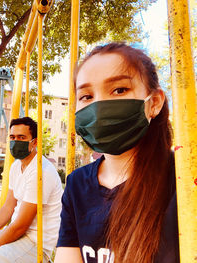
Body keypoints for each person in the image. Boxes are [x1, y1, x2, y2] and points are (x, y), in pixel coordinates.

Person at [54, 42, 179, 263]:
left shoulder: (184, 181)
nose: (100, 105)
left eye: (119, 90)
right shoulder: (76, 184)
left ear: (154, 103)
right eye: (86, 96)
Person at [0, 117, 63, 262]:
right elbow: (8, 207)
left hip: (35, 242)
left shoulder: (41, 172)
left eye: (21, 137)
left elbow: (20, 226)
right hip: (17, 235)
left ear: (34, 142)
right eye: (12, 137)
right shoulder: (16, 166)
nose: (16, 141)